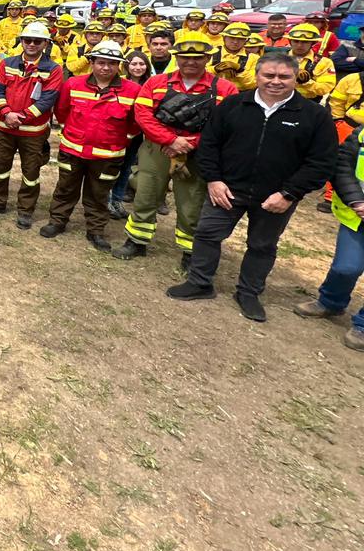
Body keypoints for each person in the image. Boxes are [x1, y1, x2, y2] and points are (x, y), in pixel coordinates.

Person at [168, 53, 335, 321]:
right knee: (207, 234)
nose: (275, 82)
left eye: (284, 76)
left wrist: (289, 194)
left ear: (296, 78)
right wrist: (214, 179)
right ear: (257, 75)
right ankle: (199, 283)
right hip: (227, 189)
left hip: (275, 196)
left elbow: (321, 162)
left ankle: (248, 293)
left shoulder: (314, 116)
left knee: (262, 245)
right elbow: (210, 144)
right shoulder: (234, 105)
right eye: (269, 75)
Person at [113, 32, 238, 266]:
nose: (190, 62)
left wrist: (190, 143)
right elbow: (142, 115)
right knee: (146, 194)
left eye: (197, 58)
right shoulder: (156, 83)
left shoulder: (225, 89)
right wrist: (169, 140)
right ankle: (136, 241)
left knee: (191, 202)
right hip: (157, 149)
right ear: (177, 57)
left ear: (208, 58)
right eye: (184, 57)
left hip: (199, 153)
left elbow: (228, 125)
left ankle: (190, 252)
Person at [39, 41, 140, 252]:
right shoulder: (74, 84)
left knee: (99, 193)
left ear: (119, 66)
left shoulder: (132, 91)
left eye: (112, 64)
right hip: (73, 150)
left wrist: (120, 140)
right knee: (65, 188)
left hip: (108, 154)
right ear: (92, 62)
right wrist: (73, 133)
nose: (106, 68)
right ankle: (57, 221)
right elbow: (62, 111)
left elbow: (135, 123)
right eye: (101, 62)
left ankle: (96, 230)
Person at [0, 22, 66, 228]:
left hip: (33, 132)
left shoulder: (53, 69)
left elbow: (48, 99)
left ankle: (25, 210)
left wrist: (21, 117)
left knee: (31, 173)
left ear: (45, 43)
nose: (31, 44)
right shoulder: (7, 63)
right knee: (0, 166)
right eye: (27, 40)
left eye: (37, 41)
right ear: (21, 41)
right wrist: (7, 113)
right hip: (4, 127)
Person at [298, 125, 364, 350]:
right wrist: (357, 201)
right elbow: (343, 165)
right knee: (346, 268)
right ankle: (330, 302)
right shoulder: (362, 133)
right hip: (359, 217)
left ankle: (363, 326)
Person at [108, 50, 152, 217]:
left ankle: (117, 200)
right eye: (134, 63)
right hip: (118, 132)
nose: (138, 67)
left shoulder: (152, 84)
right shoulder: (119, 83)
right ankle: (107, 200)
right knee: (113, 166)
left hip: (139, 135)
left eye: (141, 64)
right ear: (126, 66)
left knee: (128, 167)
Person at [286, 23, 336, 102]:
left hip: (308, 103)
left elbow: (325, 88)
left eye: (305, 42)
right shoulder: (278, 58)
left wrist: (306, 81)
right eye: (296, 41)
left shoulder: (324, 62)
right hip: (279, 100)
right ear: (290, 41)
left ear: (313, 43)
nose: (299, 45)